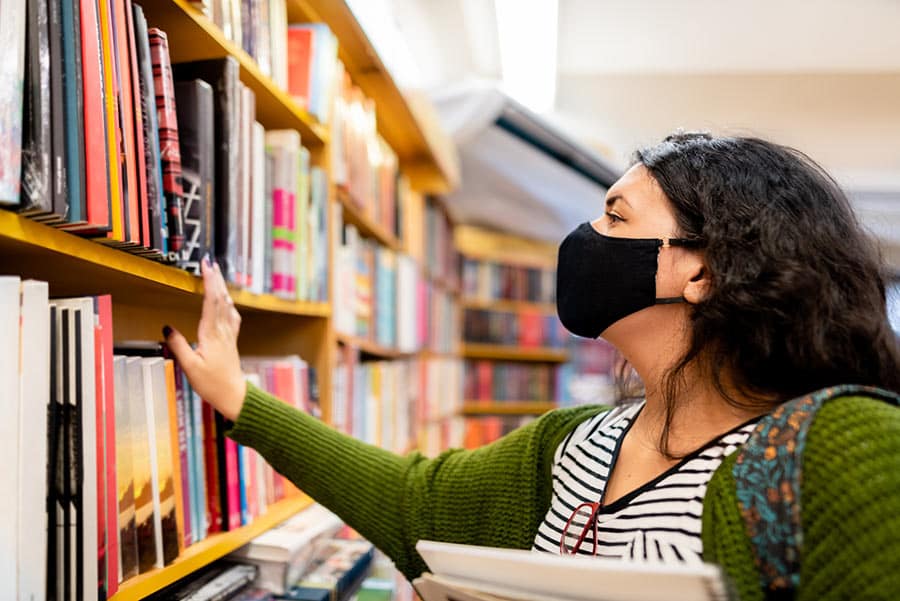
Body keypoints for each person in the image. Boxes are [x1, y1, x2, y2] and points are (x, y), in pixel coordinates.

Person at [164, 132, 900, 600]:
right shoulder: (572, 447)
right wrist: (241, 401)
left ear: (702, 273)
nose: (585, 239)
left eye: (615, 217)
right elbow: (411, 503)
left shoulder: (846, 449)